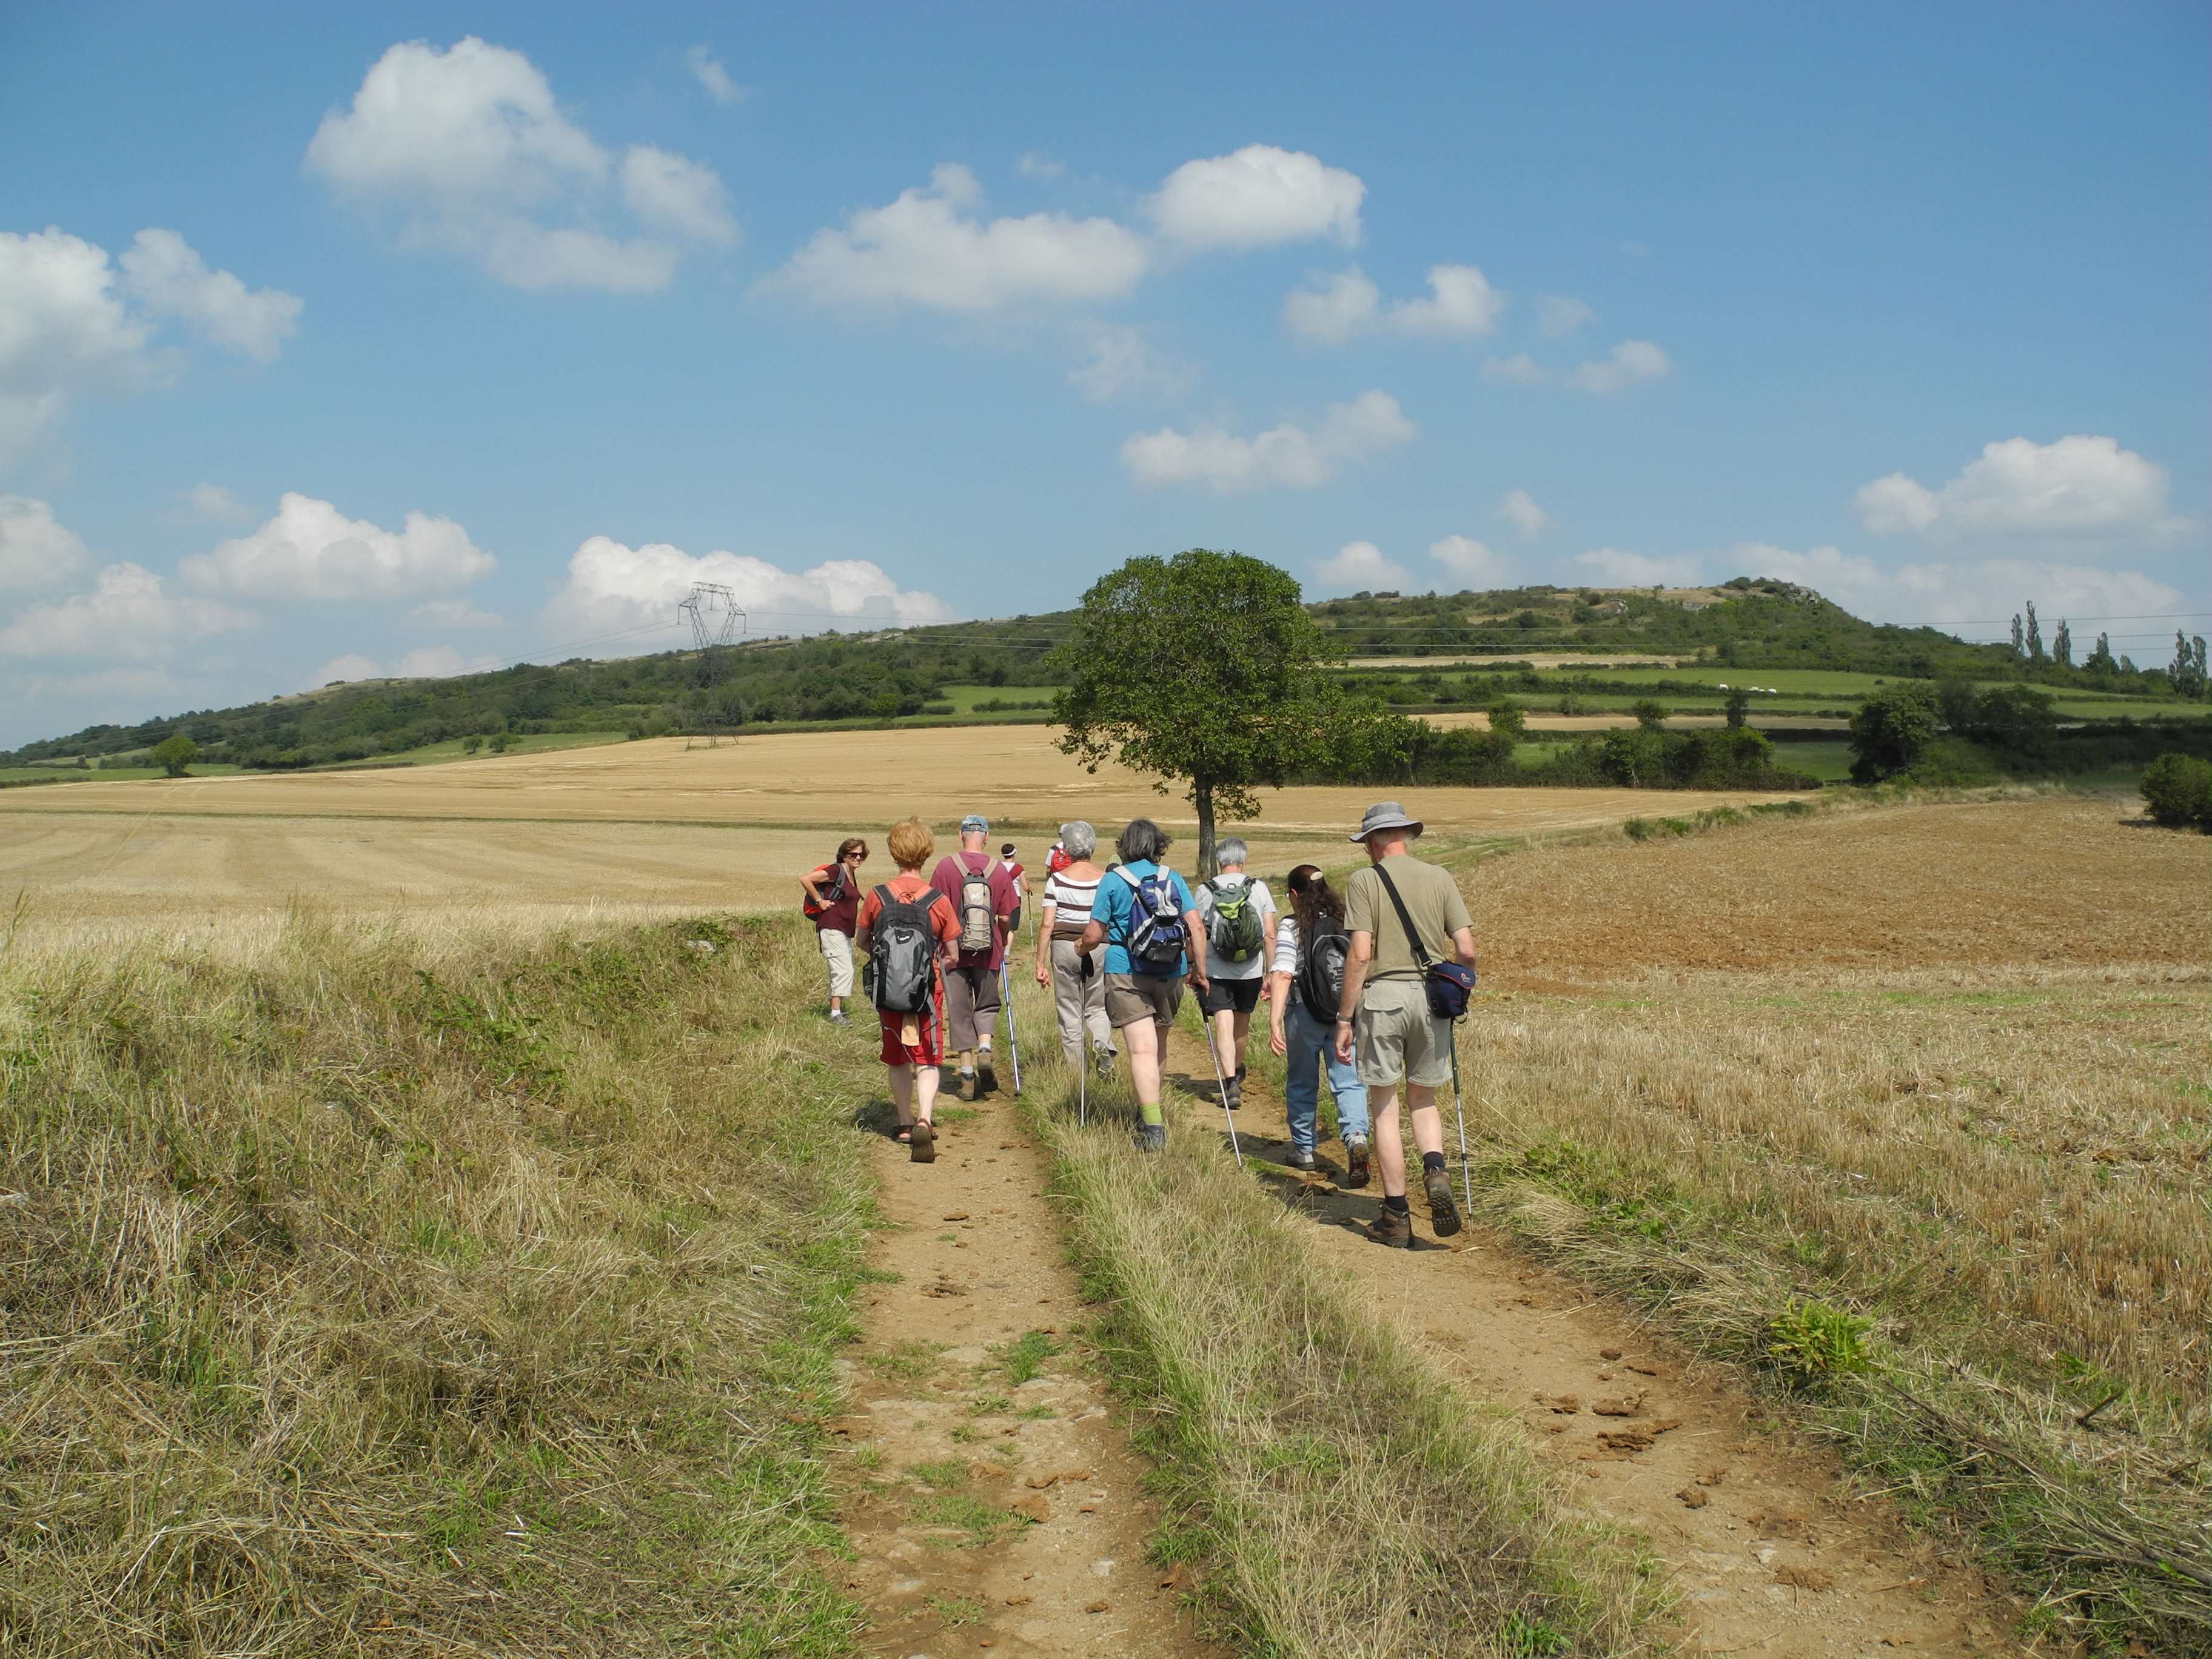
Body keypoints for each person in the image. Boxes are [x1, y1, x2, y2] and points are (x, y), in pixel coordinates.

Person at [1332, 802, 1477, 1247]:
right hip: (1432, 999)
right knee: (1423, 1098)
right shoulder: (1440, 876)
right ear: (1405, 836)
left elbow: (1359, 954)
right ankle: (1435, 1169)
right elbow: (1467, 951)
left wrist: (1344, 1018)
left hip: (1383, 1000)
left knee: (1384, 1106)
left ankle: (1396, 1216)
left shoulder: (1365, 881)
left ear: (1374, 842)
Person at [1079, 817, 1208, 1152]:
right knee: (1158, 1046)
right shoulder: (1173, 879)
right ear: (1158, 845)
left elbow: (1094, 934)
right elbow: (1196, 927)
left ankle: (1153, 1128)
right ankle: (1149, 1112)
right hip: (1171, 970)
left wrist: (1081, 949)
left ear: (1124, 847)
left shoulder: (1112, 880)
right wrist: (1199, 970)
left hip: (1127, 971)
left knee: (1140, 1049)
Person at [854, 817, 961, 1162]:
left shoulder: (877, 896)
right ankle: (924, 1119)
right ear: (927, 853)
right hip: (927, 992)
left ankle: (902, 1123)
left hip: (888, 991)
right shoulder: (938, 900)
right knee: (928, 1058)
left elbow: (862, 942)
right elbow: (953, 954)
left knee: (897, 1057)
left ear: (893, 851)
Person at [1266, 865, 1372, 1179]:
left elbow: (1284, 971)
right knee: (1349, 1081)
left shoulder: (1293, 925)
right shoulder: (1347, 920)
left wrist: (1274, 1019)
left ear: (1295, 895)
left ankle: (1304, 1149)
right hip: (1345, 1014)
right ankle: (1356, 1138)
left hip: (1304, 1013)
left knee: (1302, 1080)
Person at [930, 813, 1020, 1101]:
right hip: (988, 948)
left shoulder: (946, 866)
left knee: (959, 1011)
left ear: (960, 835)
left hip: (952, 950)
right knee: (987, 1004)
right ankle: (985, 1048)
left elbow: (933, 911)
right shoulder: (998, 870)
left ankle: (967, 1078)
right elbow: (1005, 915)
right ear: (987, 837)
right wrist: (1003, 939)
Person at [1192, 837, 1275, 1110]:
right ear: (1243, 860)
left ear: (1219, 860)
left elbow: (1198, 933)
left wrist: (1196, 969)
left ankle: (1229, 1082)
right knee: (1242, 1025)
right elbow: (1270, 935)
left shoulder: (1206, 889)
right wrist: (1271, 973)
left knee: (1223, 1025)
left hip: (1217, 968)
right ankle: (1236, 1072)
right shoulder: (1258, 888)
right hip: (1250, 970)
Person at [1033, 820, 1114, 1075]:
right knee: (1098, 1005)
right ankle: (1102, 1042)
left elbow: (1047, 924)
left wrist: (1040, 963)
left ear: (1066, 850)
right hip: (1099, 947)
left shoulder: (1056, 881)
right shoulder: (1107, 879)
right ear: (1093, 847)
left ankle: (1075, 1071)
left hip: (1065, 947)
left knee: (1069, 1009)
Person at [799, 837, 868, 1024]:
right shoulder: (837, 870)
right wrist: (819, 901)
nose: (858, 858)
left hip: (841, 930)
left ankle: (835, 1012)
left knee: (838, 971)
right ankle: (836, 1014)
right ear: (844, 856)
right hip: (832, 927)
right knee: (844, 970)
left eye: (861, 855)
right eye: (853, 854)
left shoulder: (850, 874)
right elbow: (806, 879)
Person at [999, 842, 1027, 938]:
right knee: (1011, 926)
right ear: (1014, 854)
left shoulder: (998, 866)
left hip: (1000, 896)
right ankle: (1007, 950)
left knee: (1000, 921)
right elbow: (1025, 887)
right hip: (1015, 897)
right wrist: (1029, 889)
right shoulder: (1019, 868)